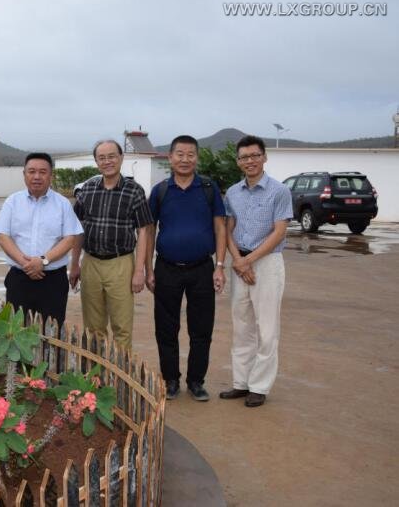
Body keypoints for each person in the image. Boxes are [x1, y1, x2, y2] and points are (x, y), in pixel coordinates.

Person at [145, 135, 227, 401]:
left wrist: (220, 266)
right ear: (170, 157)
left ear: (197, 158)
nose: (185, 159)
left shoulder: (208, 187)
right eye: (179, 154)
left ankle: (196, 381)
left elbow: (220, 227)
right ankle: (170, 380)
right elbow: (149, 230)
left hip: (202, 268)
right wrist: (147, 268)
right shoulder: (160, 191)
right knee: (166, 328)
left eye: (190, 154)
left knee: (201, 329)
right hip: (167, 268)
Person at [220, 135, 292, 408]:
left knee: (267, 328)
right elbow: (227, 229)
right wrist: (238, 260)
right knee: (242, 326)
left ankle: (259, 387)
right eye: (244, 157)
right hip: (240, 261)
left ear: (264, 157)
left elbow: (280, 230)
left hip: (267, 262)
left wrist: (250, 260)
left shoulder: (279, 191)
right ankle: (241, 383)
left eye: (254, 155)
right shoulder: (233, 192)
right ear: (238, 162)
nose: (250, 161)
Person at [69, 139, 153, 350]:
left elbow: (143, 230)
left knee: (121, 327)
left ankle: (121, 377)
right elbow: (77, 228)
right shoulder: (87, 190)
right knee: (93, 327)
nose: (107, 162)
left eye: (112, 156)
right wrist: (75, 264)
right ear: (97, 161)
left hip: (121, 264)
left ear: (121, 158)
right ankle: (97, 376)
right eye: (102, 158)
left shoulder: (134, 191)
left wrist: (139, 270)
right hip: (91, 263)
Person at [0, 152, 83, 323]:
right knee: (17, 331)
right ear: (24, 174)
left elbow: (69, 239)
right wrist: (26, 263)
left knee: (51, 333)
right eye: (31, 171)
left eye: (42, 172)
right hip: (19, 277)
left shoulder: (62, 204)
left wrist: (43, 261)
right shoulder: (13, 202)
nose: (37, 176)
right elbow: (3, 236)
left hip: (53, 280)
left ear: (50, 175)